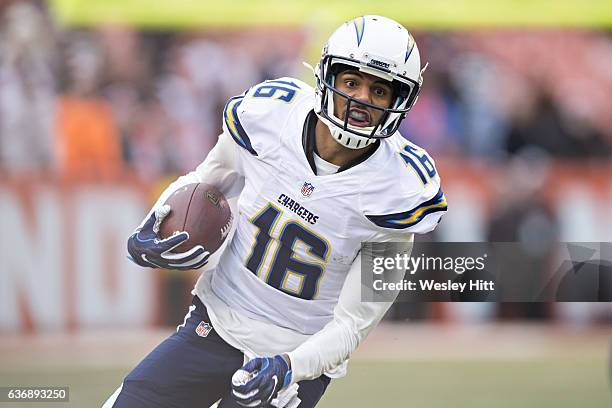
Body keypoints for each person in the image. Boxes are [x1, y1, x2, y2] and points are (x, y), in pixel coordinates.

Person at [103, 15, 447, 408]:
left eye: (379, 90)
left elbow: (353, 326)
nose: (361, 100)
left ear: (400, 102)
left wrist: (291, 366)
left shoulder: (402, 191)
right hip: (216, 321)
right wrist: (158, 218)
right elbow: (207, 181)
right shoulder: (270, 115)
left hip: (295, 358)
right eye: (352, 82)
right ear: (327, 77)